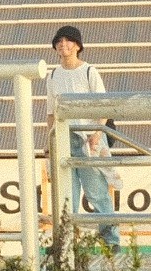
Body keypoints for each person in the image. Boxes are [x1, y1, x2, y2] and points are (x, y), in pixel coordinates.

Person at [46, 25, 112, 226]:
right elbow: (51, 112)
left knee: (96, 192)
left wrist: (98, 135)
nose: (63, 45)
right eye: (59, 41)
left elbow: (104, 106)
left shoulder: (89, 71)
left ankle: (111, 240)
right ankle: (67, 241)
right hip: (65, 138)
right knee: (66, 194)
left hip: (89, 137)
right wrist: (49, 141)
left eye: (68, 41)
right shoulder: (53, 75)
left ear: (77, 46)